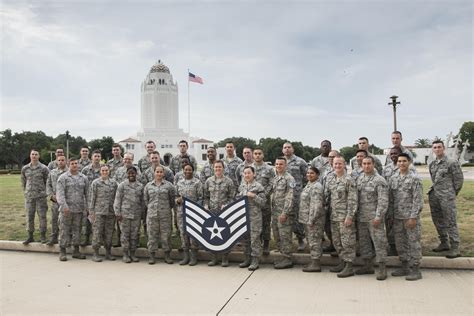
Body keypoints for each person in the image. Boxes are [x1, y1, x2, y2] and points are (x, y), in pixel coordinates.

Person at [389, 153, 424, 280]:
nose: (401, 163)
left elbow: (418, 200)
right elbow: (391, 200)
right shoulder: (393, 178)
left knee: (413, 243)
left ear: (409, 162)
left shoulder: (415, 179)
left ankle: (415, 269)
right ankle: (404, 266)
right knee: (400, 243)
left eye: (404, 161)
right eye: (399, 161)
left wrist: (413, 217)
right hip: (398, 217)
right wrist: (391, 215)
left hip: (410, 217)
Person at [428, 140, 464, 258]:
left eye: (439, 147)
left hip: (447, 197)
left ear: (444, 148)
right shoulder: (432, 164)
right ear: (433, 149)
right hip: (435, 197)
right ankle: (444, 243)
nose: (437, 149)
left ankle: (455, 247)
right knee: (437, 220)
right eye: (435, 147)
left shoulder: (452, 162)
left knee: (450, 221)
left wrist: (451, 193)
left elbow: (458, 180)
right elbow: (434, 180)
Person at [356, 156, 389, 280]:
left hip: (374, 218)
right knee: (364, 243)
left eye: (369, 163)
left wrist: (379, 216)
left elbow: (383, 200)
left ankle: (382, 267)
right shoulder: (360, 179)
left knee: (379, 242)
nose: (366, 166)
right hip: (362, 217)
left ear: (373, 164)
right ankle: (367, 265)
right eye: (364, 164)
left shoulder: (379, 180)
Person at [324, 157, 357, 278]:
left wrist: (350, 216)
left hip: (345, 217)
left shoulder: (349, 180)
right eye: (335, 163)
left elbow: (353, 200)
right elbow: (328, 197)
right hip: (334, 216)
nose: (337, 165)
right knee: (337, 242)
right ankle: (342, 262)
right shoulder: (331, 179)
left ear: (345, 165)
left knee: (347, 242)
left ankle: (349, 266)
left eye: (340, 163)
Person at [204, 160, 236, 267]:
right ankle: (213, 258)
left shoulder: (228, 181)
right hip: (212, 211)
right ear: (213, 168)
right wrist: (206, 205)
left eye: (220, 167)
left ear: (223, 168)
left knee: (225, 235)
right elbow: (206, 196)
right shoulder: (208, 181)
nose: (218, 169)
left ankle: (225, 257)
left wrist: (227, 204)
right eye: (216, 167)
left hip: (224, 213)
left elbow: (232, 197)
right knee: (212, 235)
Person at [56, 158, 89, 261]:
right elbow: (60, 194)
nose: (74, 165)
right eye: (72, 163)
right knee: (64, 230)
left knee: (77, 230)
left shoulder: (83, 178)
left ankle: (76, 251)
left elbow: (87, 194)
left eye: (76, 163)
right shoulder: (63, 178)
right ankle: (62, 251)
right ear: (68, 164)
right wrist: (64, 206)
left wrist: (87, 207)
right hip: (66, 210)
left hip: (79, 210)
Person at [144, 165, 176, 264]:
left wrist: (165, 208)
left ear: (164, 173)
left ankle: (167, 255)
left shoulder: (169, 186)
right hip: (152, 216)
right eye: (157, 172)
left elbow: (172, 200)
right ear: (154, 173)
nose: (159, 174)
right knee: (152, 235)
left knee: (166, 236)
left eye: (161, 172)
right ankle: (152, 256)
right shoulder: (148, 186)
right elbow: (146, 200)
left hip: (165, 215)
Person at [237, 166, 266, 271]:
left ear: (254, 174)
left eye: (249, 173)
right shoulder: (242, 186)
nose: (247, 175)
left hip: (255, 217)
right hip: (244, 217)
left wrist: (254, 196)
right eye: (245, 173)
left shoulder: (258, 186)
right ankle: (247, 258)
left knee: (255, 239)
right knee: (246, 239)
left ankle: (255, 260)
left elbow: (263, 203)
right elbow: (238, 199)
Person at [114, 166, 145, 263]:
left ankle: (133, 254)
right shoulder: (122, 185)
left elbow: (142, 202)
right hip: (124, 214)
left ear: (136, 174)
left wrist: (143, 213)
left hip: (136, 214)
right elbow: (117, 200)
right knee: (125, 235)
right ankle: (125, 254)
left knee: (135, 235)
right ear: (127, 174)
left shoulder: (140, 186)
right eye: (129, 173)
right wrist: (117, 213)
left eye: (133, 173)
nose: (131, 175)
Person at [175, 164, 204, 266]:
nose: (188, 171)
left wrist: (195, 206)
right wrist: (177, 200)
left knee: (193, 234)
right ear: (183, 170)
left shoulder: (197, 183)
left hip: (193, 213)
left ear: (193, 170)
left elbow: (201, 198)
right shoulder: (179, 183)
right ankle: (186, 256)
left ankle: (193, 257)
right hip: (181, 212)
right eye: (186, 169)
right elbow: (175, 196)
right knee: (183, 234)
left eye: (190, 169)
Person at [270, 157, 295, 269]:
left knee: (285, 236)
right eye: (277, 164)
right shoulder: (275, 178)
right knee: (277, 236)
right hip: (275, 212)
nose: (278, 166)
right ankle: (283, 256)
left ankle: (287, 258)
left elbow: (290, 197)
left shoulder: (289, 179)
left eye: (281, 164)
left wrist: (285, 213)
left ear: (286, 166)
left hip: (283, 213)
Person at [89, 165, 118, 262]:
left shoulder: (114, 183)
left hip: (110, 212)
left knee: (109, 233)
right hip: (99, 212)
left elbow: (116, 198)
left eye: (106, 170)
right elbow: (92, 198)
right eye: (103, 170)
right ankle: (95, 253)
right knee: (97, 232)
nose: (105, 172)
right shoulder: (95, 183)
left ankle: (108, 253)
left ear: (109, 171)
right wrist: (91, 212)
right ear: (100, 171)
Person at [282, 142, 308, 252]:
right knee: (285, 216)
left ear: (293, 149)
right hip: (283, 194)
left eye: (289, 147)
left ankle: (301, 239)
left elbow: (307, 177)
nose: (287, 149)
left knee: (298, 217)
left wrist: (302, 190)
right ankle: (286, 241)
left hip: (297, 194)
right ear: (282, 150)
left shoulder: (300, 161)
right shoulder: (280, 161)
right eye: (285, 148)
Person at [21, 149, 50, 244]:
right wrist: (26, 192)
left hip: (41, 197)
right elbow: (23, 182)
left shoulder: (44, 168)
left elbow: (48, 182)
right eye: (32, 154)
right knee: (29, 216)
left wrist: (45, 192)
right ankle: (30, 236)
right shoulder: (25, 168)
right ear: (30, 156)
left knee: (42, 217)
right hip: (29, 197)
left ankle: (42, 236)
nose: (34, 156)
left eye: (36, 154)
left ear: (39, 156)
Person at [299, 167, 324, 272]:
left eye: (312, 173)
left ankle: (316, 264)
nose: (309, 175)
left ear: (317, 175)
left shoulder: (317, 186)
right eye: (308, 173)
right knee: (311, 241)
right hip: (307, 219)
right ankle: (313, 261)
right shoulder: (309, 185)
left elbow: (317, 205)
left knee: (314, 241)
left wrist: (312, 220)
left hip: (313, 220)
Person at [252, 148, 275, 255]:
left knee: (266, 222)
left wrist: (263, 195)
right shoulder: (249, 168)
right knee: (255, 223)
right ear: (253, 155)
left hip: (264, 201)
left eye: (259, 154)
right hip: (252, 202)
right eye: (255, 154)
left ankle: (266, 245)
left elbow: (272, 183)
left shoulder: (269, 169)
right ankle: (257, 243)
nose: (257, 155)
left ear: (263, 155)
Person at [80, 150, 103, 246]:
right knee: (87, 220)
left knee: (98, 220)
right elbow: (81, 183)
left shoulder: (104, 169)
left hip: (100, 199)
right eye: (95, 156)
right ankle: (86, 238)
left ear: (100, 158)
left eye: (98, 156)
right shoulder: (85, 170)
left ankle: (98, 239)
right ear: (92, 157)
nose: (97, 158)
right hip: (88, 198)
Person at [46, 155, 68, 245]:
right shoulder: (52, 172)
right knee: (55, 219)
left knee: (66, 220)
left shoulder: (69, 172)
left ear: (66, 161)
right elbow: (48, 185)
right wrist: (51, 195)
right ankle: (54, 237)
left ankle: (67, 238)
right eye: (59, 160)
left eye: (63, 160)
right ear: (56, 161)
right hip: (55, 201)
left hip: (67, 201)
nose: (61, 162)